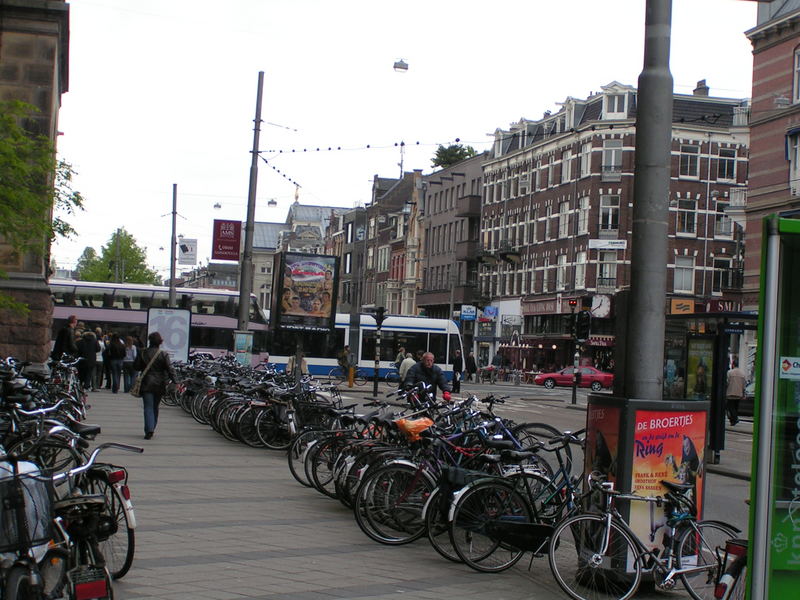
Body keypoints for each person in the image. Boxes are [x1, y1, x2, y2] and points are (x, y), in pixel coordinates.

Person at [133, 332, 176, 440]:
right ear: (160, 342)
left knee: (148, 407)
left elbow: (136, 366)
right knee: (155, 407)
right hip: (159, 383)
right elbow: (170, 369)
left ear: (149, 341)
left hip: (146, 382)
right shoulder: (163, 354)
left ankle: (149, 429)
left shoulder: (143, 352)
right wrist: (175, 381)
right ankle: (152, 427)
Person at [725, 360, 747, 426]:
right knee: (735, 407)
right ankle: (733, 421)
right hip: (739, 394)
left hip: (730, 393)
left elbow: (727, 382)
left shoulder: (729, 372)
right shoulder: (742, 373)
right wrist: (743, 393)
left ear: (733, 365)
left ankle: (735, 418)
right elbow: (744, 385)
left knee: (730, 407)